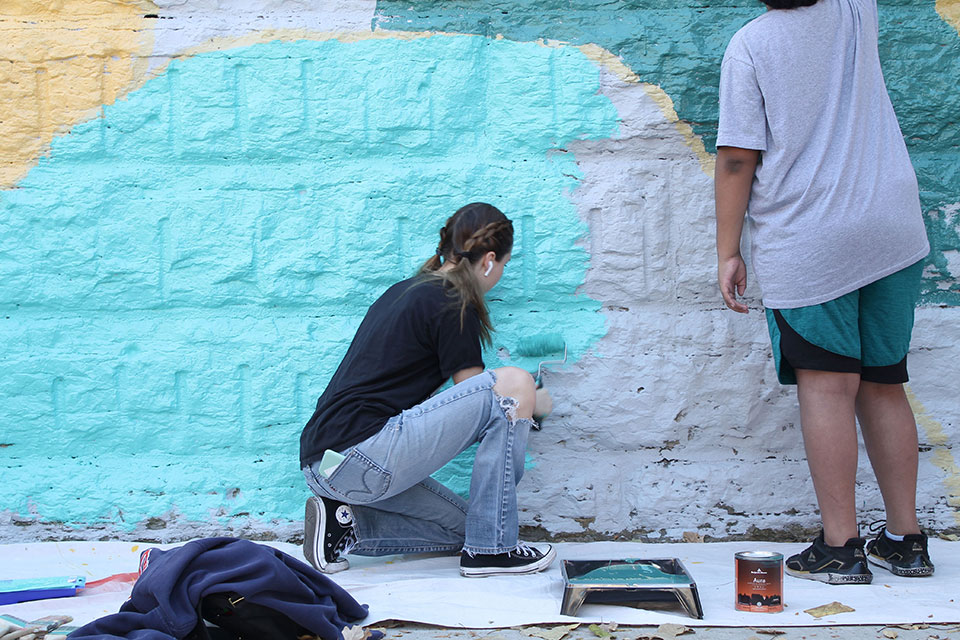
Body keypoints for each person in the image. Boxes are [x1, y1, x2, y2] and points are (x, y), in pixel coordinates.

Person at [715, 0, 934, 584]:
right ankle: (906, 541)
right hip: (892, 225)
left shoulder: (751, 44)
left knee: (829, 386)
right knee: (885, 381)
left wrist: (728, 249)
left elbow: (738, 158)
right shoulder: (853, 9)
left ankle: (840, 547)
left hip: (812, 235)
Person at [299, 202, 556, 578]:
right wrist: (531, 404)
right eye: (503, 265)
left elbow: (466, 405)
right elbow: (483, 401)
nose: (500, 273)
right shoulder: (455, 300)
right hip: (363, 454)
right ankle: (493, 551)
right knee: (513, 385)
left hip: (327, 465)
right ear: (488, 260)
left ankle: (347, 526)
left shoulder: (406, 291)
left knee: (467, 528)